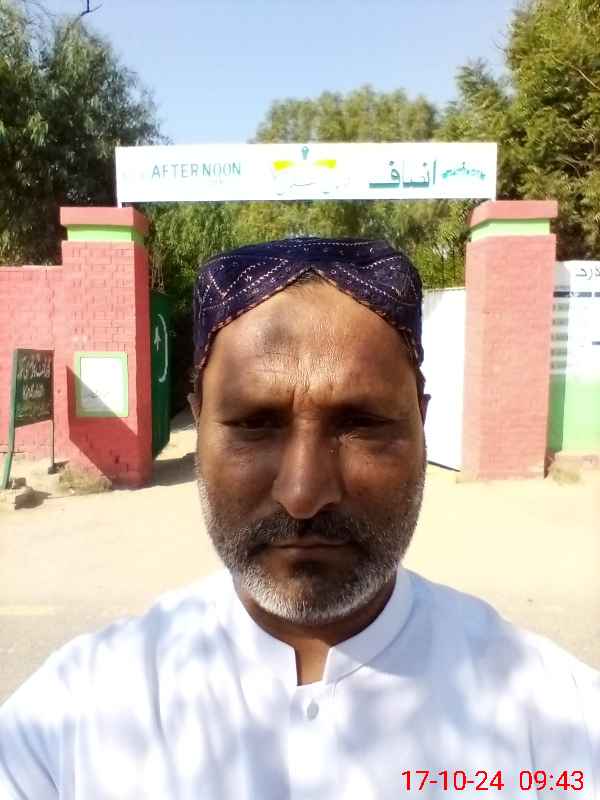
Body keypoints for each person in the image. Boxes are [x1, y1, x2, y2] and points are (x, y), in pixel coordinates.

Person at [0, 237, 598, 799]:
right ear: (199, 425)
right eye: (254, 425)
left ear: (421, 425)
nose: (304, 493)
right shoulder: (70, 723)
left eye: (361, 424)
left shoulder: (554, 720)